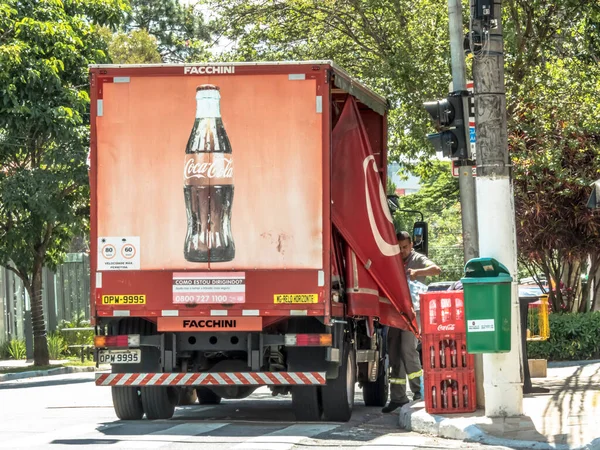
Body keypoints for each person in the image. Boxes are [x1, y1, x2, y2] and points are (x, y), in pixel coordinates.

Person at [382, 231, 442, 413]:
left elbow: (437, 270)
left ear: (411, 245)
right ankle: (398, 397)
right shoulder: (392, 260)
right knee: (394, 353)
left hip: (413, 313)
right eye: (399, 248)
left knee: (408, 350)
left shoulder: (417, 259)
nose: (402, 251)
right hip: (394, 313)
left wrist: (417, 272)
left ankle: (419, 392)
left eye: (405, 247)